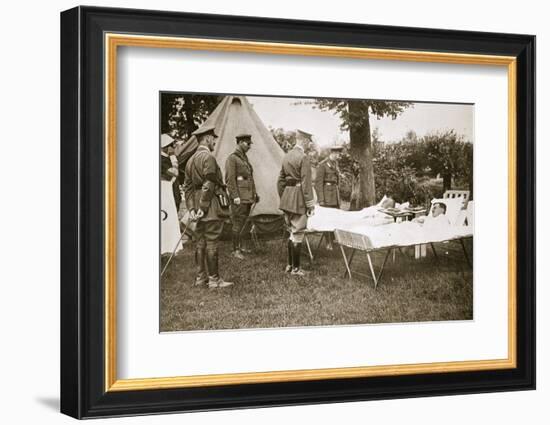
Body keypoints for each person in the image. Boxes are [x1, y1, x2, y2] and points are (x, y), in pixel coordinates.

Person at [182, 125, 234, 289]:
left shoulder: (190, 160)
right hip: (209, 205)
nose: (214, 141)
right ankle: (214, 280)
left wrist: (191, 208)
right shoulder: (208, 158)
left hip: (197, 205)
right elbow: (209, 183)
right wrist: (203, 208)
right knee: (211, 241)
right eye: (213, 138)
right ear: (207, 138)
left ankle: (200, 278)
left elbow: (188, 188)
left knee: (200, 241)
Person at [277, 130, 316, 276]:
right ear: (304, 141)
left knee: (291, 231)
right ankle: (296, 268)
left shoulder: (286, 156)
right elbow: (306, 184)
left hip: (287, 196)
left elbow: (280, 180)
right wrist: (310, 204)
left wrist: (284, 195)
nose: (308, 145)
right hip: (299, 197)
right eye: (308, 142)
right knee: (298, 232)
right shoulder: (303, 157)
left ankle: (289, 265)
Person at [225, 133, 259, 260]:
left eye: (250, 143)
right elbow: (230, 179)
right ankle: (235, 250)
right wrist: (234, 196)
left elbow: (249, 178)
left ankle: (242, 246)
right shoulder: (232, 158)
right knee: (237, 223)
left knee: (244, 222)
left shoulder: (244, 158)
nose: (249, 146)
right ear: (239, 142)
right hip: (239, 196)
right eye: (247, 143)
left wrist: (255, 193)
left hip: (248, 196)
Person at [160, 135, 183, 255]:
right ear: (165, 147)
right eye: (171, 146)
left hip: (171, 189)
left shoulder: (166, 158)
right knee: (166, 216)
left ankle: (169, 245)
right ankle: (165, 246)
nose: (173, 148)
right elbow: (175, 172)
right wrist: (173, 159)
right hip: (165, 191)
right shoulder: (162, 159)